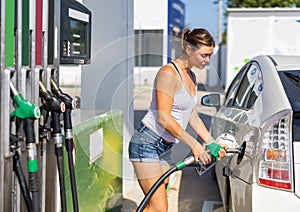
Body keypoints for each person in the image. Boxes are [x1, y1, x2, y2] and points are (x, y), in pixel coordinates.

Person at [128, 28, 227, 212]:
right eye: (204, 55)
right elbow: (163, 118)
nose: (207, 60)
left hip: (164, 146)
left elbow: (192, 116)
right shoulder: (168, 73)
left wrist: (212, 143)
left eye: (210, 55)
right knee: (159, 208)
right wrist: (194, 145)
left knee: (154, 204)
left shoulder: (191, 76)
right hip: (147, 143)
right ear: (189, 49)